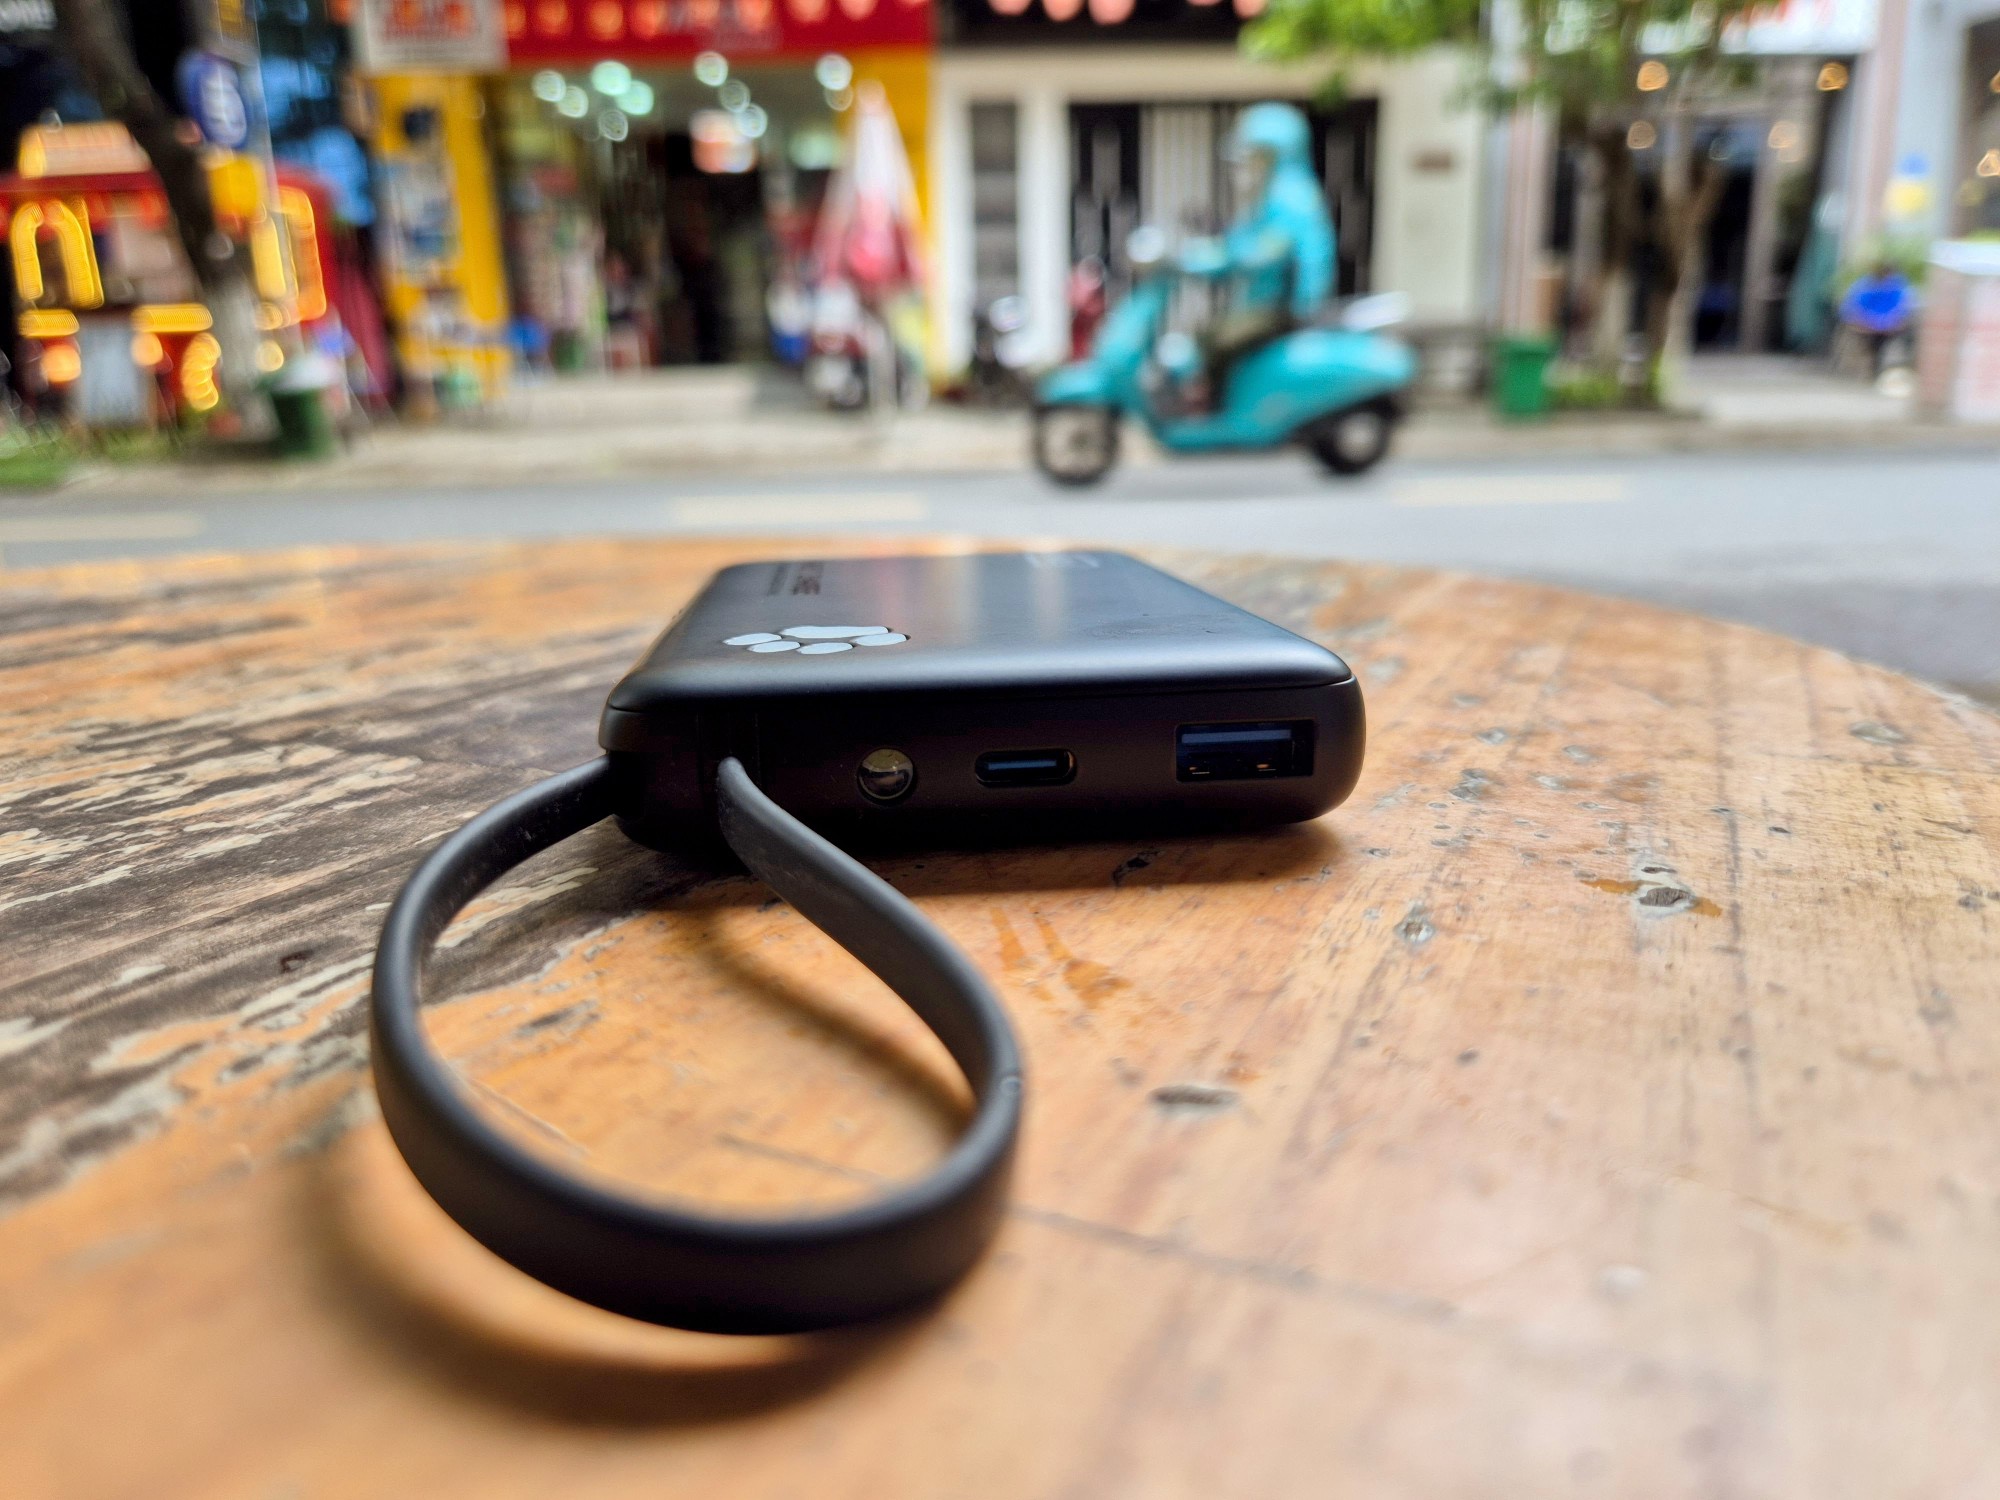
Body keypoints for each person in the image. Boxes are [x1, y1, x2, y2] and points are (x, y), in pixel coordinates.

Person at [1177, 103, 1335, 406]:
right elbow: (1244, 239)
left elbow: (1274, 250)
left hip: (1280, 306)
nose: (1251, 164)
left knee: (1219, 340)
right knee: (1208, 333)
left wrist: (1229, 258)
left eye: (1257, 154)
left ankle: (1214, 403)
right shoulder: (1272, 192)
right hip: (1262, 300)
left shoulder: (1292, 195)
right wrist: (1211, 253)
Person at [1838, 261, 1917, 375]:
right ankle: (1872, 364)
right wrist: (1863, 322)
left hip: (1888, 327)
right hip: (1866, 326)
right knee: (1872, 340)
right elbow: (1852, 309)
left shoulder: (1897, 287)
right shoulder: (1864, 286)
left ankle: (1887, 366)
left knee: (1904, 336)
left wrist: (1893, 322)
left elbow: (1903, 309)